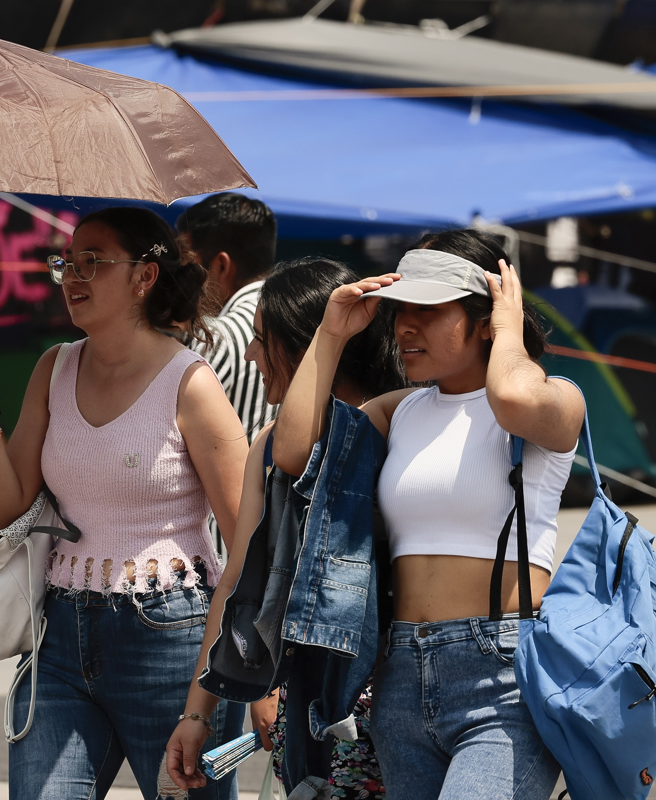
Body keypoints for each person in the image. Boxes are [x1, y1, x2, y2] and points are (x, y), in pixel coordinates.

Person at [0, 207, 251, 800]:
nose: (72, 276)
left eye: (93, 262)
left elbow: (246, 547)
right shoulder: (54, 367)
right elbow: (8, 510)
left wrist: (236, 680)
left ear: (144, 277)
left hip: (172, 638)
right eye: (66, 262)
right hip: (60, 633)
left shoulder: (191, 383)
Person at [269, 230, 583, 799]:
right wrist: (331, 332)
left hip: (504, 675)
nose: (404, 326)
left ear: (485, 315)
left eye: (428, 310)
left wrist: (508, 326)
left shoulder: (552, 397)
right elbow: (292, 451)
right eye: (400, 310)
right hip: (401, 678)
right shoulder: (403, 410)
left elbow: (511, 399)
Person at [165, 258, 405, 799]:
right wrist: (197, 715)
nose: (251, 356)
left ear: (305, 346)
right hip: (308, 704)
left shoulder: (402, 423)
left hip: (397, 699)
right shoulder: (267, 445)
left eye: (261, 340)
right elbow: (236, 582)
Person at [177, 193, 278, 443]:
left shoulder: (216, 335)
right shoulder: (301, 320)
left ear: (221, 266)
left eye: (189, 264)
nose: (181, 277)